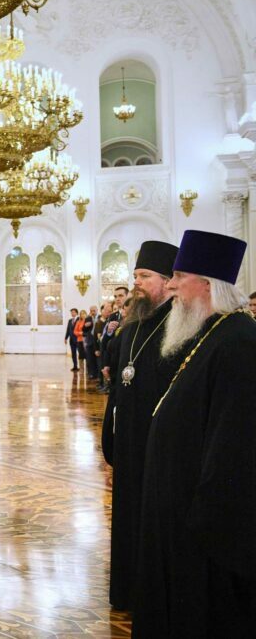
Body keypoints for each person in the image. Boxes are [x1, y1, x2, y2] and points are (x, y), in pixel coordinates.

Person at [134, 230, 256, 636]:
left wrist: (202, 518)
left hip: (203, 525)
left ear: (207, 284)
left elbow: (234, 445)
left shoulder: (239, 342)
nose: (171, 285)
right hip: (178, 509)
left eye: (178, 276)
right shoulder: (212, 333)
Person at [98, 240, 179, 612]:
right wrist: (110, 437)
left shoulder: (180, 326)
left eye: (145, 276)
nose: (137, 283)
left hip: (159, 444)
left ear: (167, 280)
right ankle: (127, 590)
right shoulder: (131, 326)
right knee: (127, 517)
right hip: (129, 441)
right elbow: (119, 383)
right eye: (135, 276)